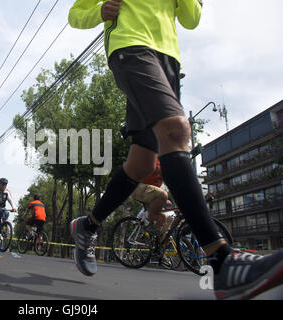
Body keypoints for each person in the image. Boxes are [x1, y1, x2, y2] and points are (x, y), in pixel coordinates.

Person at [68, 0, 282, 299]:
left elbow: (191, 18)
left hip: (168, 58)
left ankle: (88, 226)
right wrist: (99, 11)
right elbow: (75, 14)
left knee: (143, 163)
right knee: (176, 130)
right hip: (129, 46)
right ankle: (222, 261)